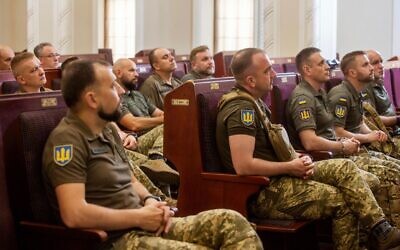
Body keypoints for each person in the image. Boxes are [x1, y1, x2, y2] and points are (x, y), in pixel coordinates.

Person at [42, 59, 262, 249]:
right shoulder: (67, 140)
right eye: (112, 86)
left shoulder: (106, 129)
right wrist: (139, 217)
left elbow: (129, 177)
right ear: (92, 99)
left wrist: (149, 200)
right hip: (115, 239)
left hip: (142, 223)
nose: (120, 91)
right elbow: (73, 214)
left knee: (233, 223)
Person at [216, 48, 400, 249]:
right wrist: (290, 166)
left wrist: (298, 159)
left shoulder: (255, 102)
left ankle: (381, 231)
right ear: (251, 81)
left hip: (283, 175)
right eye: (268, 70)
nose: (274, 74)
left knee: (356, 173)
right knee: (344, 199)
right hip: (264, 190)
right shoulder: (241, 110)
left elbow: (275, 146)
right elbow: (244, 166)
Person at [286, 47, 400, 227]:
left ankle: (386, 232)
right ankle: (386, 232)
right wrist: (344, 145)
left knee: (396, 168)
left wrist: (359, 138)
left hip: (340, 152)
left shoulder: (319, 93)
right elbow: (310, 141)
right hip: (324, 158)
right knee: (390, 174)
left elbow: (339, 130)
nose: (328, 66)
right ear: (307, 70)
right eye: (321, 63)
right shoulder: (304, 97)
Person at [113, 58, 178, 194]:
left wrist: (169, 118)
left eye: (136, 70)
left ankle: (169, 194)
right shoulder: (115, 99)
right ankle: (156, 158)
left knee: (177, 128)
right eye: (131, 70)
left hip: (153, 139)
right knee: (167, 127)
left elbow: (161, 114)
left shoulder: (138, 95)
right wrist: (166, 120)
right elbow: (133, 124)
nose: (137, 74)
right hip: (137, 141)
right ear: (118, 73)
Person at [327, 51, 400, 159]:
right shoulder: (341, 96)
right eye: (366, 65)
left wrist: (374, 133)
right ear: (352, 72)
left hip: (360, 146)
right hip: (345, 152)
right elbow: (337, 132)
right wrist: (368, 137)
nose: (371, 68)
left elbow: (360, 123)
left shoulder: (356, 92)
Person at [365, 50, 400, 129]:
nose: (381, 66)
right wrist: (397, 119)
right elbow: (370, 120)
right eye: (375, 63)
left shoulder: (378, 82)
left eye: (381, 62)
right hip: (386, 134)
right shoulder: (365, 88)